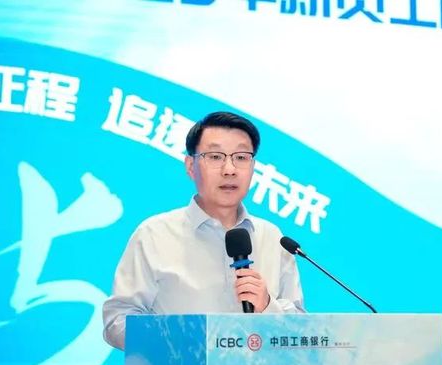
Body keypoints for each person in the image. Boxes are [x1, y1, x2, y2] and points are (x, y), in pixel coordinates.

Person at [102, 111, 305, 350]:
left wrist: (268, 306)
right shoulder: (153, 235)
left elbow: (301, 330)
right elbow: (117, 321)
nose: (229, 169)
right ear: (191, 166)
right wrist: (179, 342)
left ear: (253, 167)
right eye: (215, 156)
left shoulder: (273, 238)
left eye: (241, 157)